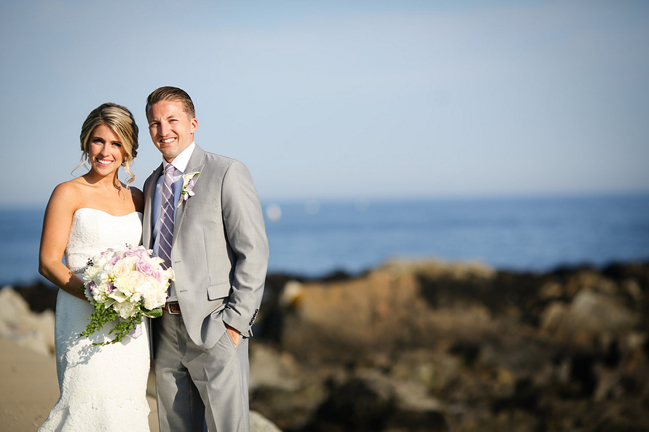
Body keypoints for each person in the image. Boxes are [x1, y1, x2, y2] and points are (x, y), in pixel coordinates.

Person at [143, 86, 269, 432]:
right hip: (164, 331)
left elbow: (253, 251)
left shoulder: (226, 172)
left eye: (172, 120)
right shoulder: (152, 184)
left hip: (214, 327)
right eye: (155, 123)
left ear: (193, 123)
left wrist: (233, 325)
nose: (163, 130)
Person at [38, 103, 151, 431]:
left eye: (116, 143)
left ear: (128, 150)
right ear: (86, 142)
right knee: (85, 403)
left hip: (129, 325)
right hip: (81, 317)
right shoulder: (67, 193)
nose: (106, 151)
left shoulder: (138, 198)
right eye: (99, 141)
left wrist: (138, 292)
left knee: (126, 407)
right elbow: (48, 263)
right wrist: (98, 296)